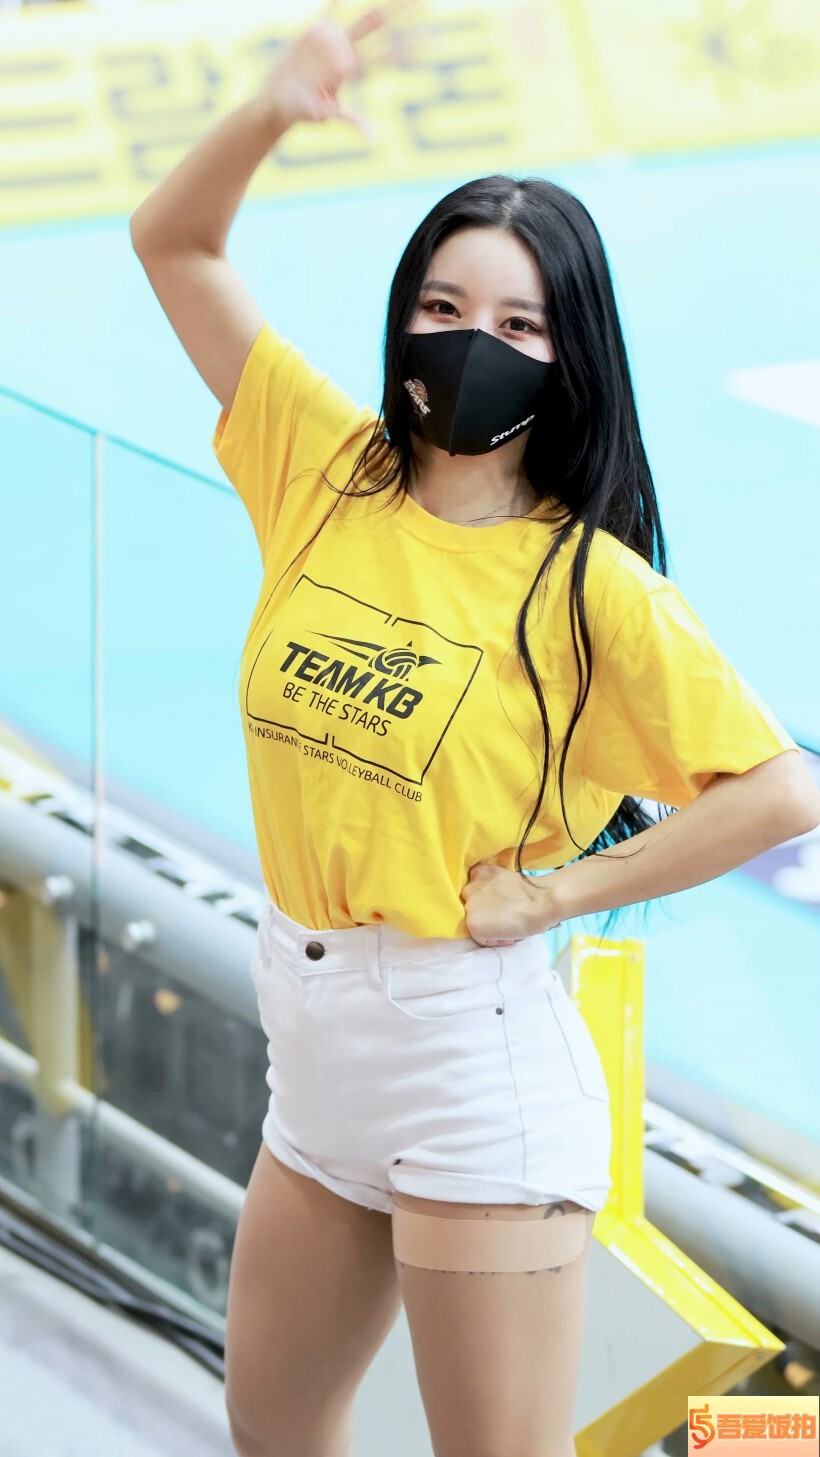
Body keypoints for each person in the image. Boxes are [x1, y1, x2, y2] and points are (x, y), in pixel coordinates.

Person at [130, 4, 818, 1454]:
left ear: (570, 358)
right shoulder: (324, 469)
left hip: (468, 1062)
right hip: (311, 1044)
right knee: (272, 1431)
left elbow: (778, 790)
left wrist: (558, 894)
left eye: (518, 324)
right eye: (443, 308)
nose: (471, 345)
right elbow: (174, 244)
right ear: (403, 318)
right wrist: (275, 106)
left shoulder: (588, 585)